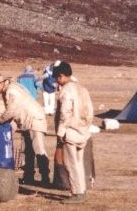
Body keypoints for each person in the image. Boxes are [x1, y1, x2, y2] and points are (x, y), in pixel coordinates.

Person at [0, 73, 50, 187]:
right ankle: (28, 177)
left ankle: (45, 178)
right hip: (27, 121)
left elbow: (11, 110)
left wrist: (0, 120)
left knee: (38, 149)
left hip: (34, 120)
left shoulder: (11, 91)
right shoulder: (12, 88)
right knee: (28, 151)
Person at [52, 62, 93, 205]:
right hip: (83, 131)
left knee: (70, 163)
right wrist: (85, 126)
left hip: (70, 131)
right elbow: (90, 111)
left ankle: (77, 192)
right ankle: (81, 189)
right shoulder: (83, 89)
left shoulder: (66, 90)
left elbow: (65, 113)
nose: (57, 81)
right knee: (79, 163)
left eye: (57, 78)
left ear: (61, 76)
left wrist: (60, 131)